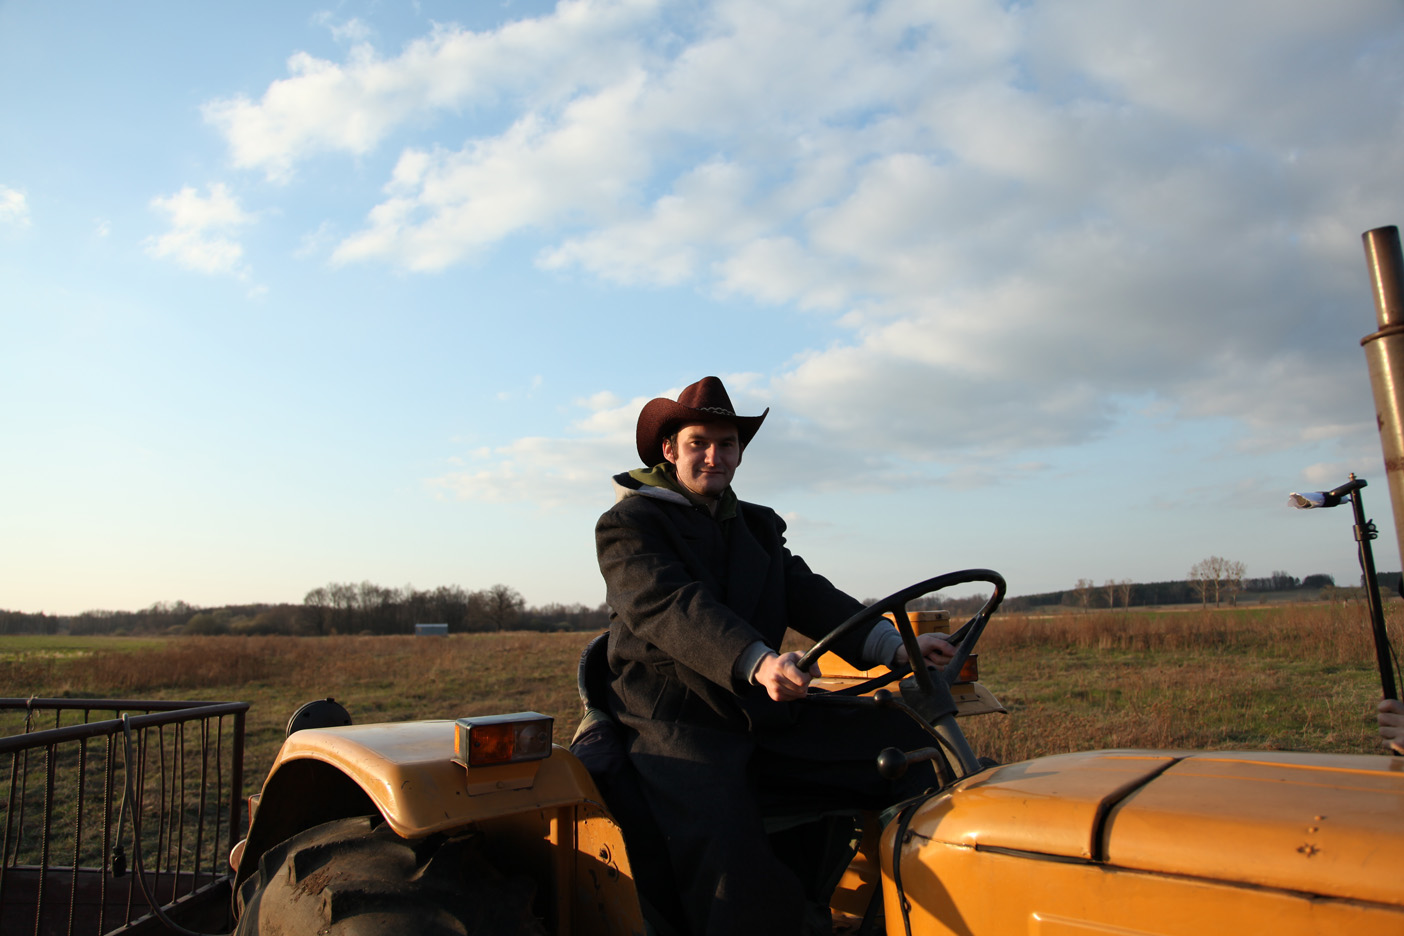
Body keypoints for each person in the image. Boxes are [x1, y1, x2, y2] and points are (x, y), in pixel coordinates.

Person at [594, 376, 955, 936]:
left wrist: (896, 646)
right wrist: (760, 661)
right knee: (732, 872)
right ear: (670, 450)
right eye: (699, 443)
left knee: (914, 752)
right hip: (679, 723)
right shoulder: (631, 525)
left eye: (727, 443)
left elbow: (808, 593)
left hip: (762, 716)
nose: (715, 455)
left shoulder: (757, 526)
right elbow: (671, 606)